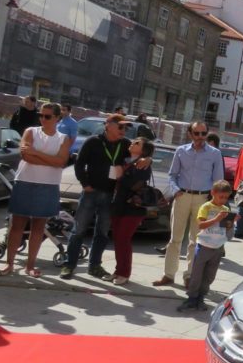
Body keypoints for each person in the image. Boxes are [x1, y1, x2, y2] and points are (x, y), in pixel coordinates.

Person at [61, 115, 144, 281]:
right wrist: (85, 184)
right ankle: (69, 265)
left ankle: (95, 266)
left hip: (111, 195)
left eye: (126, 128)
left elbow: (137, 158)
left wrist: (146, 159)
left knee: (102, 232)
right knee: (79, 230)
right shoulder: (93, 141)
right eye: (120, 127)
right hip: (90, 192)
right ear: (108, 126)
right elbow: (79, 163)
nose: (124, 131)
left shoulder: (126, 144)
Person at [0, 102, 72, 278]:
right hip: (25, 181)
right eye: (41, 115)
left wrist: (37, 154)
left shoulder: (64, 138)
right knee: (16, 226)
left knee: (39, 228)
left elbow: (61, 162)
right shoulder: (30, 131)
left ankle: (30, 266)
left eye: (47, 116)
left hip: (48, 185)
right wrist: (50, 160)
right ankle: (9, 264)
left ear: (57, 118)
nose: (43, 119)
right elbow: (25, 156)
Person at [152, 121, 225, 287]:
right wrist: (176, 190)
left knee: (195, 240)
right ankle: (168, 275)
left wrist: (214, 202)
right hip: (182, 196)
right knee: (175, 238)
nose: (200, 137)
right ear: (190, 134)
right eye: (196, 133)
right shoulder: (181, 151)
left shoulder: (214, 154)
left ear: (207, 134)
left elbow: (218, 180)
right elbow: (172, 175)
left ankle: (190, 276)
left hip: (203, 199)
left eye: (203, 133)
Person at [178, 180, 235, 312]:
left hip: (218, 247)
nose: (223, 200)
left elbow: (227, 231)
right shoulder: (206, 207)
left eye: (226, 197)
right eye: (221, 197)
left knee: (210, 275)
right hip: (204, 246)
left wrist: (231, 222)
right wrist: (216, 219)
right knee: (197, 274)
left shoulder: (226, 209)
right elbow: (200, 225)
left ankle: (201, 297)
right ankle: (192, 297)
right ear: (213, 193)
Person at [110, 138, 155, 286]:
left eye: (137, 143)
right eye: (133, 141)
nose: (132, 143)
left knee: (124, 239)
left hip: (133, 207)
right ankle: (118, 270)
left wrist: (120, 175)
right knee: (117, 239)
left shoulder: (143, 163)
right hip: (118, 204)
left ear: (143, 150)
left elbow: (135, 185)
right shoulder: (124, 159)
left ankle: (124, 273)